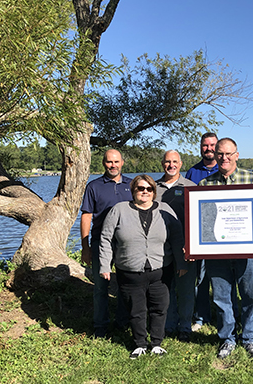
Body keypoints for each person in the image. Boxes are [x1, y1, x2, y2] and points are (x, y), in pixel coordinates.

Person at [199, 137, 253, 359]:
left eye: (228, 154)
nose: (224, 158)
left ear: (236, 155)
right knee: (222, 297)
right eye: (220, 153)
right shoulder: (205, 185)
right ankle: (227, 338)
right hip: (218, 252)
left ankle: (249, 338)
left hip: (249, 250)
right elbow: (202, 222)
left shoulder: (252, 178)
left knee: (250, 295)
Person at [99, 175, 187, 359]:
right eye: (140, 188)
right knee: (136, 309)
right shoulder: (119, 210)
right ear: (133, 191)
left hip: (161, 269)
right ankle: (140, 344)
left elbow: (177, 238)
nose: (144, 192)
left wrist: (181, 262)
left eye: (148, 189)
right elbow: (106, 238)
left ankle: (156, 343)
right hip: (129, 271)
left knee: (160, 307)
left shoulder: (165, 210)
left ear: (154, 192)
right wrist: (105, 265)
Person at [80, 149, 132, 338]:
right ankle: (100, 326)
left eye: (116, 161)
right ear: (103, 163)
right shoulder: (94, 186)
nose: (113, 165)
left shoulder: (132, 185)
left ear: (122, 163)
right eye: (109, 162)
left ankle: (122, 322)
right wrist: (85, 247)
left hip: (126, 244)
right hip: (101, 243)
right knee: (101, 286)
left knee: (126, 285)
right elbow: (86, 216)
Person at [155, 150, 197, 342]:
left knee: (186, 288)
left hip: (185, 247)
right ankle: (169, 325)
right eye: (167, 162)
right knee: (166, 287)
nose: (171, 165)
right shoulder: (153, 187)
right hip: (161, 247)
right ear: (162, 164)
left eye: (174, 162)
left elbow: (199, 218)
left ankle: (185, 326)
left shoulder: (191, 187)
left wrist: (193, 245)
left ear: (181, 164)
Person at [185, 132, 219, 332]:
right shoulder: (192, 172)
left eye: (212, 145)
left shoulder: (224, 168)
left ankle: (227, 313)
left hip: (222, 232)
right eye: (205, 145)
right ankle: (201, 316)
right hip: (199, 232)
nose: (209, 149)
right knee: (201, 277)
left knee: (222, 276)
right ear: (201, 148)